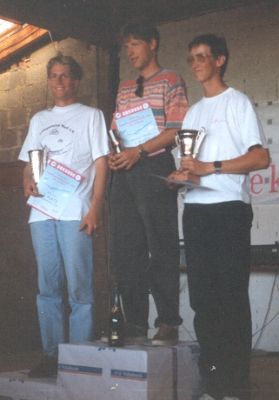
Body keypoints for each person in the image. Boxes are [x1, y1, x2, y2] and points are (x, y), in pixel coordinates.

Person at [169, 34, 270, 400]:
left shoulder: (237, 102)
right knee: (202, 301)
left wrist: (209, 167)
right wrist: (182, 176)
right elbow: (190, 164)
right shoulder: (193, 112)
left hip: (228, 211)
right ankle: (212, 383)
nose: (195, 64)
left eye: (202, 57)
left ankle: (234, 384)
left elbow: (260, 158)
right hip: (195, 212)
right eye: (191, 58)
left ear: (220, 60)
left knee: (230, 299)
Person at [18, 55, 109, 377]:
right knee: (47, 287)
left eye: (66, 76)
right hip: (43, 212)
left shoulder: (91, 116)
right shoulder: (39, 119)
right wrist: (27, 179)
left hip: (75, 210)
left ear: (76, 80)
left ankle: (80, 356)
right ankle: (52, 354)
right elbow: (30, 161)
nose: (59, 82)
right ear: (48, 80)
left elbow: (101, 163)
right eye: (54, 76)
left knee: (79, 287)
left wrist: (95, 206)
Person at [108, 22, 188, 345]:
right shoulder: (125, 86)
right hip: (124, 169)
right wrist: (116, 152)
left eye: (136, 44)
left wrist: (139, 152)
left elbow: (176, 129)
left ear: (153, 44)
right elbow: (116, 130)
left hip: (154, 163)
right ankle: (136, 324)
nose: (130, 51)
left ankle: (167, 322)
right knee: (127, 249)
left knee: (162, 245)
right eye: (127, 46)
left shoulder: (171, 79)